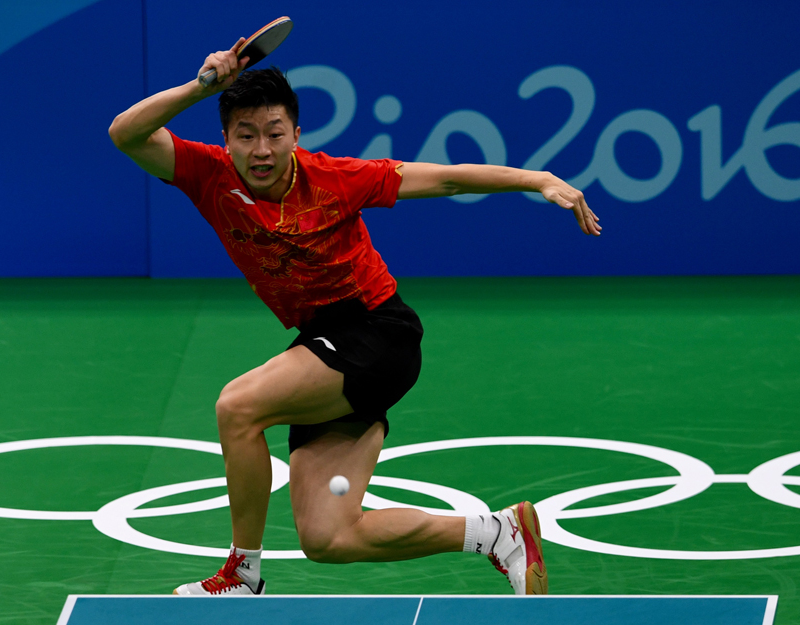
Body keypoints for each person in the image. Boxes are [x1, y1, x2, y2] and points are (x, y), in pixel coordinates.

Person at [109, 38, 601, 597]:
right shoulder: (208, 175)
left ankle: (241, 573)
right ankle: (497, 533)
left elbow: (447, 179)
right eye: (246, 135)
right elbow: (125, 134)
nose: (262, 148)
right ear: (227, 140)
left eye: (275, 133)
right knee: (329, 536)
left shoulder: (334, 178)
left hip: (377, 333)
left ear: (297, 135)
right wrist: (202, 87)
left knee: (237, 407)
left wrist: (535, 179)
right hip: (322, 345)